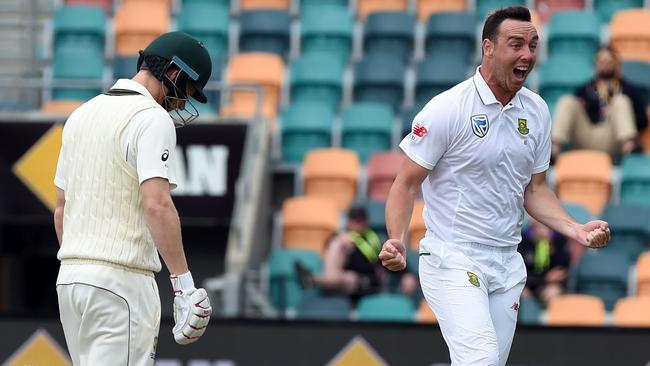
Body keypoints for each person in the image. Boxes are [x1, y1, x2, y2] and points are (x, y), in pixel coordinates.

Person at [378, 7, 611, 366]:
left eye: (533, 45)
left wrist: (575, 229)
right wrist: (396, 238)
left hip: (507, 262)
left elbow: (534, 189)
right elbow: (405, 184)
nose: (527, 55)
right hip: (451, 257)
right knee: (481, 359)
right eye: (516, 44)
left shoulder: (536, 111)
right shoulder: (447, 108)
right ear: (488, 48)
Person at [54, 32, 214, 365]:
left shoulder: (80, 115)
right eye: (186, 91)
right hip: (122, 284)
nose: (183, 103)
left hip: (70, 282)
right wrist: (184, 286)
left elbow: (61, 209)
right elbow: (157, 205)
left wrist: (82, 266)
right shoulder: (151, 118)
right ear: (173, 73)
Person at [296, 206, 418, 305]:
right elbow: (328, 248)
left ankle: (313, 279)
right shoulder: (341, 237)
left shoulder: (374, 238)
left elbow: (392, 256)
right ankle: (315, 279)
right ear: (348, 221)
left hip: (369, 283)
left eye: (361, 221)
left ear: (366, 222)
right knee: (338, 248)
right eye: (354, 220)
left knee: (350, 278)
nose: (357, 224)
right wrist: (341, 242)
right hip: (346, 282)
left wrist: (407, 274)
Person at [551, 46, 648, 162]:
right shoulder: (585, 89)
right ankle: (553, 152)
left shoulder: (629, 90)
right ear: (595, 64)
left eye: (609, 61)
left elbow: (643, 121)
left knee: (620, 101)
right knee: (567, 101)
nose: (605, 64)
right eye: (601, 61)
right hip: (587, 135)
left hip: (614, 138)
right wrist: (588, 110)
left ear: (617, 64)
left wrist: (616, 113)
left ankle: (629, 154)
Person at [518, 217, 571, 306]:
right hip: (527, 284)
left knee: (552, 293)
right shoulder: (523, 240)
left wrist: (549, 244)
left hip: (550, 285)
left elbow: (560, 271)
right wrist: (544, 279)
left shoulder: (559, 240)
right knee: (519, 293)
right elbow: (520, 272)